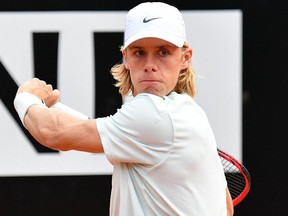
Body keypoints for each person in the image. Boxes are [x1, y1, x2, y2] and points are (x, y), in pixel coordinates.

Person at [14, 2, 234, 216]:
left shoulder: (153, 114)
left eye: (163, 52)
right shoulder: (192, 114)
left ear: (184, 58)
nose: (150, 64)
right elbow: (226, 206)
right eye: (139, 52)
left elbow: (52, 133)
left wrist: (25, 96)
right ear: (126, 57)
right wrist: (50, 108)